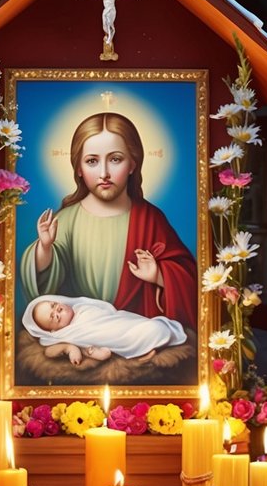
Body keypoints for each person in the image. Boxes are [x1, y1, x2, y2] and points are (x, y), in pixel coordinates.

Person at [20, 112, 197, 329]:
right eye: (92, 161)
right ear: (78, 168)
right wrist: (45, 248)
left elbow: (187, 277)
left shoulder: (150, 218)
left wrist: (159, 274)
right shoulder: (65, 220)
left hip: (135, 329)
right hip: (81, 330)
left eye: (115, 159)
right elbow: (45, 290)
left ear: (132, 164)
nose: (104, 173)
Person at [23, 293, 187, 363]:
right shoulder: (68, 334)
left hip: (123, 325)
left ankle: (146, 343)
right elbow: (92, 342)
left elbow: (113, 317)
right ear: (53, 331)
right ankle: (140, 351)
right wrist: (71, 348)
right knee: (153, 331)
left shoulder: (81, 306)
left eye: (54, 305)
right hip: (119, 337)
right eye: (53, 317)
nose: (56, 310)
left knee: (155, 327)